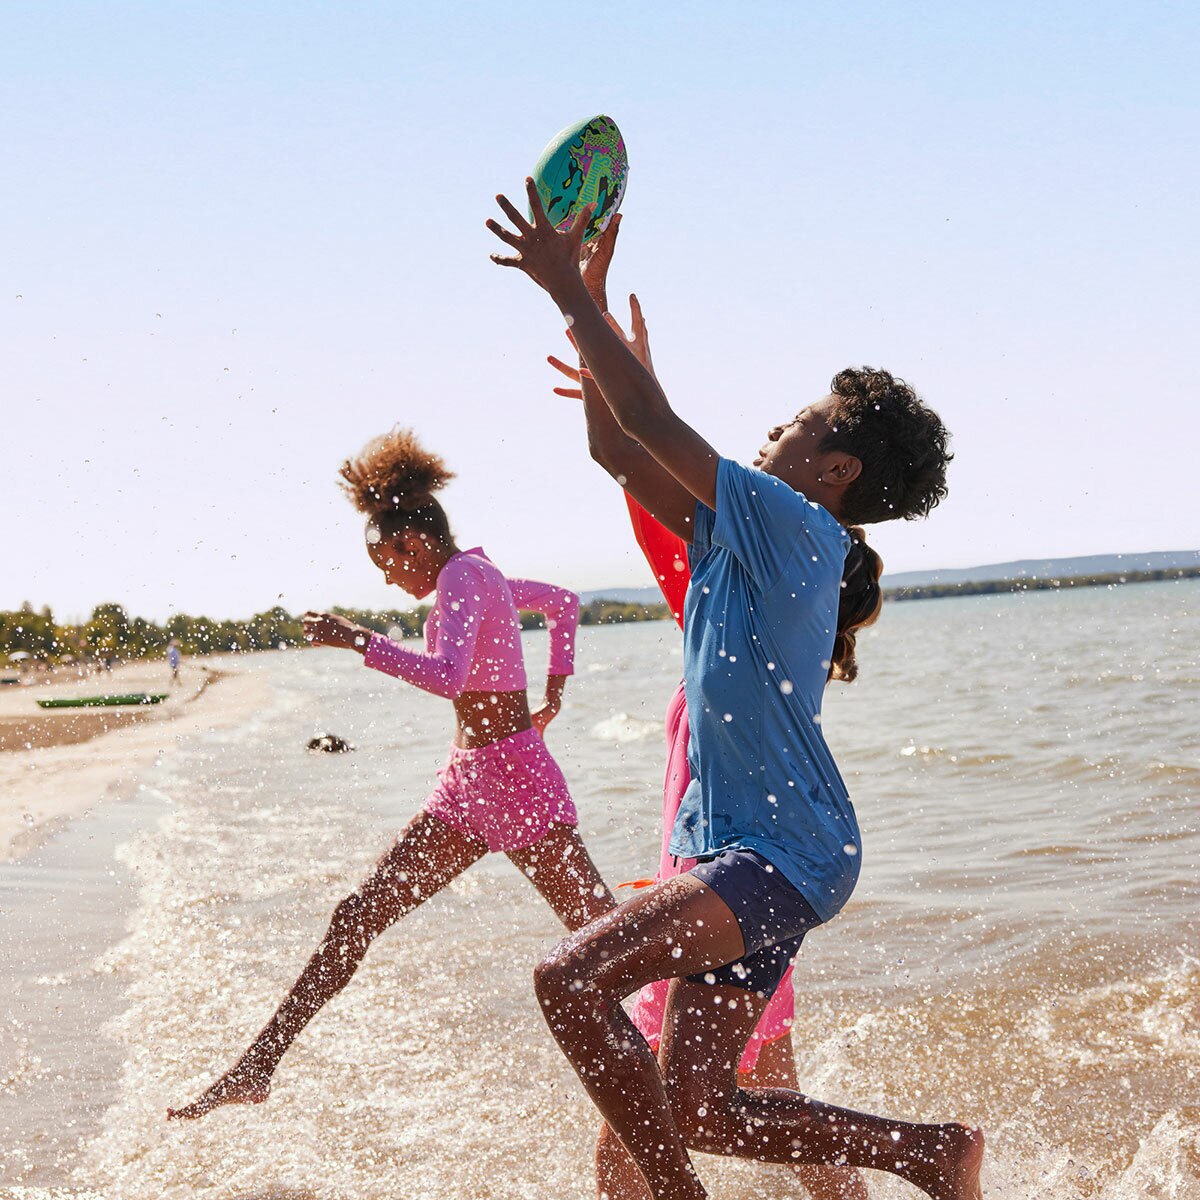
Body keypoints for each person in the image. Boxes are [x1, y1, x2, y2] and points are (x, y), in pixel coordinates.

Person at [487, 186, 983, 1200]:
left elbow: (656, 422)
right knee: (701, 1107)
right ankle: (931, 1154)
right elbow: (620, 447)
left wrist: (569, 298)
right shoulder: (749, 536)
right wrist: (592, 329)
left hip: (779, 854)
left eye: (797, 423)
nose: (772, 429)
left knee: (566, 979)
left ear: (835, 468)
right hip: (761, 857)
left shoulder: (795, 524)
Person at [168, 427, 614, 1121]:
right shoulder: (477, 577)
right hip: (469, 786)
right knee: (358, 915)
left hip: (516, 782)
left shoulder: (464, 577)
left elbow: (447, 677)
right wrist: (556, 685)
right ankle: (259, 1064)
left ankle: (703, 1042)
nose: (387, 579)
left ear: (409, 543)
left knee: (605, 937)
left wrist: (360, 641)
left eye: (385, 563)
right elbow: (561, 602)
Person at [552, 216, 866, 1200]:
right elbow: (631, 455)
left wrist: (592, 324)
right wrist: (601, 350)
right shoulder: (740, 610)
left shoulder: (729, 587)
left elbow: (652, 453)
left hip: (728, 893)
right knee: (763, 1116)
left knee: (637, 1145)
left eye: (789, 431)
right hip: (711, 890)